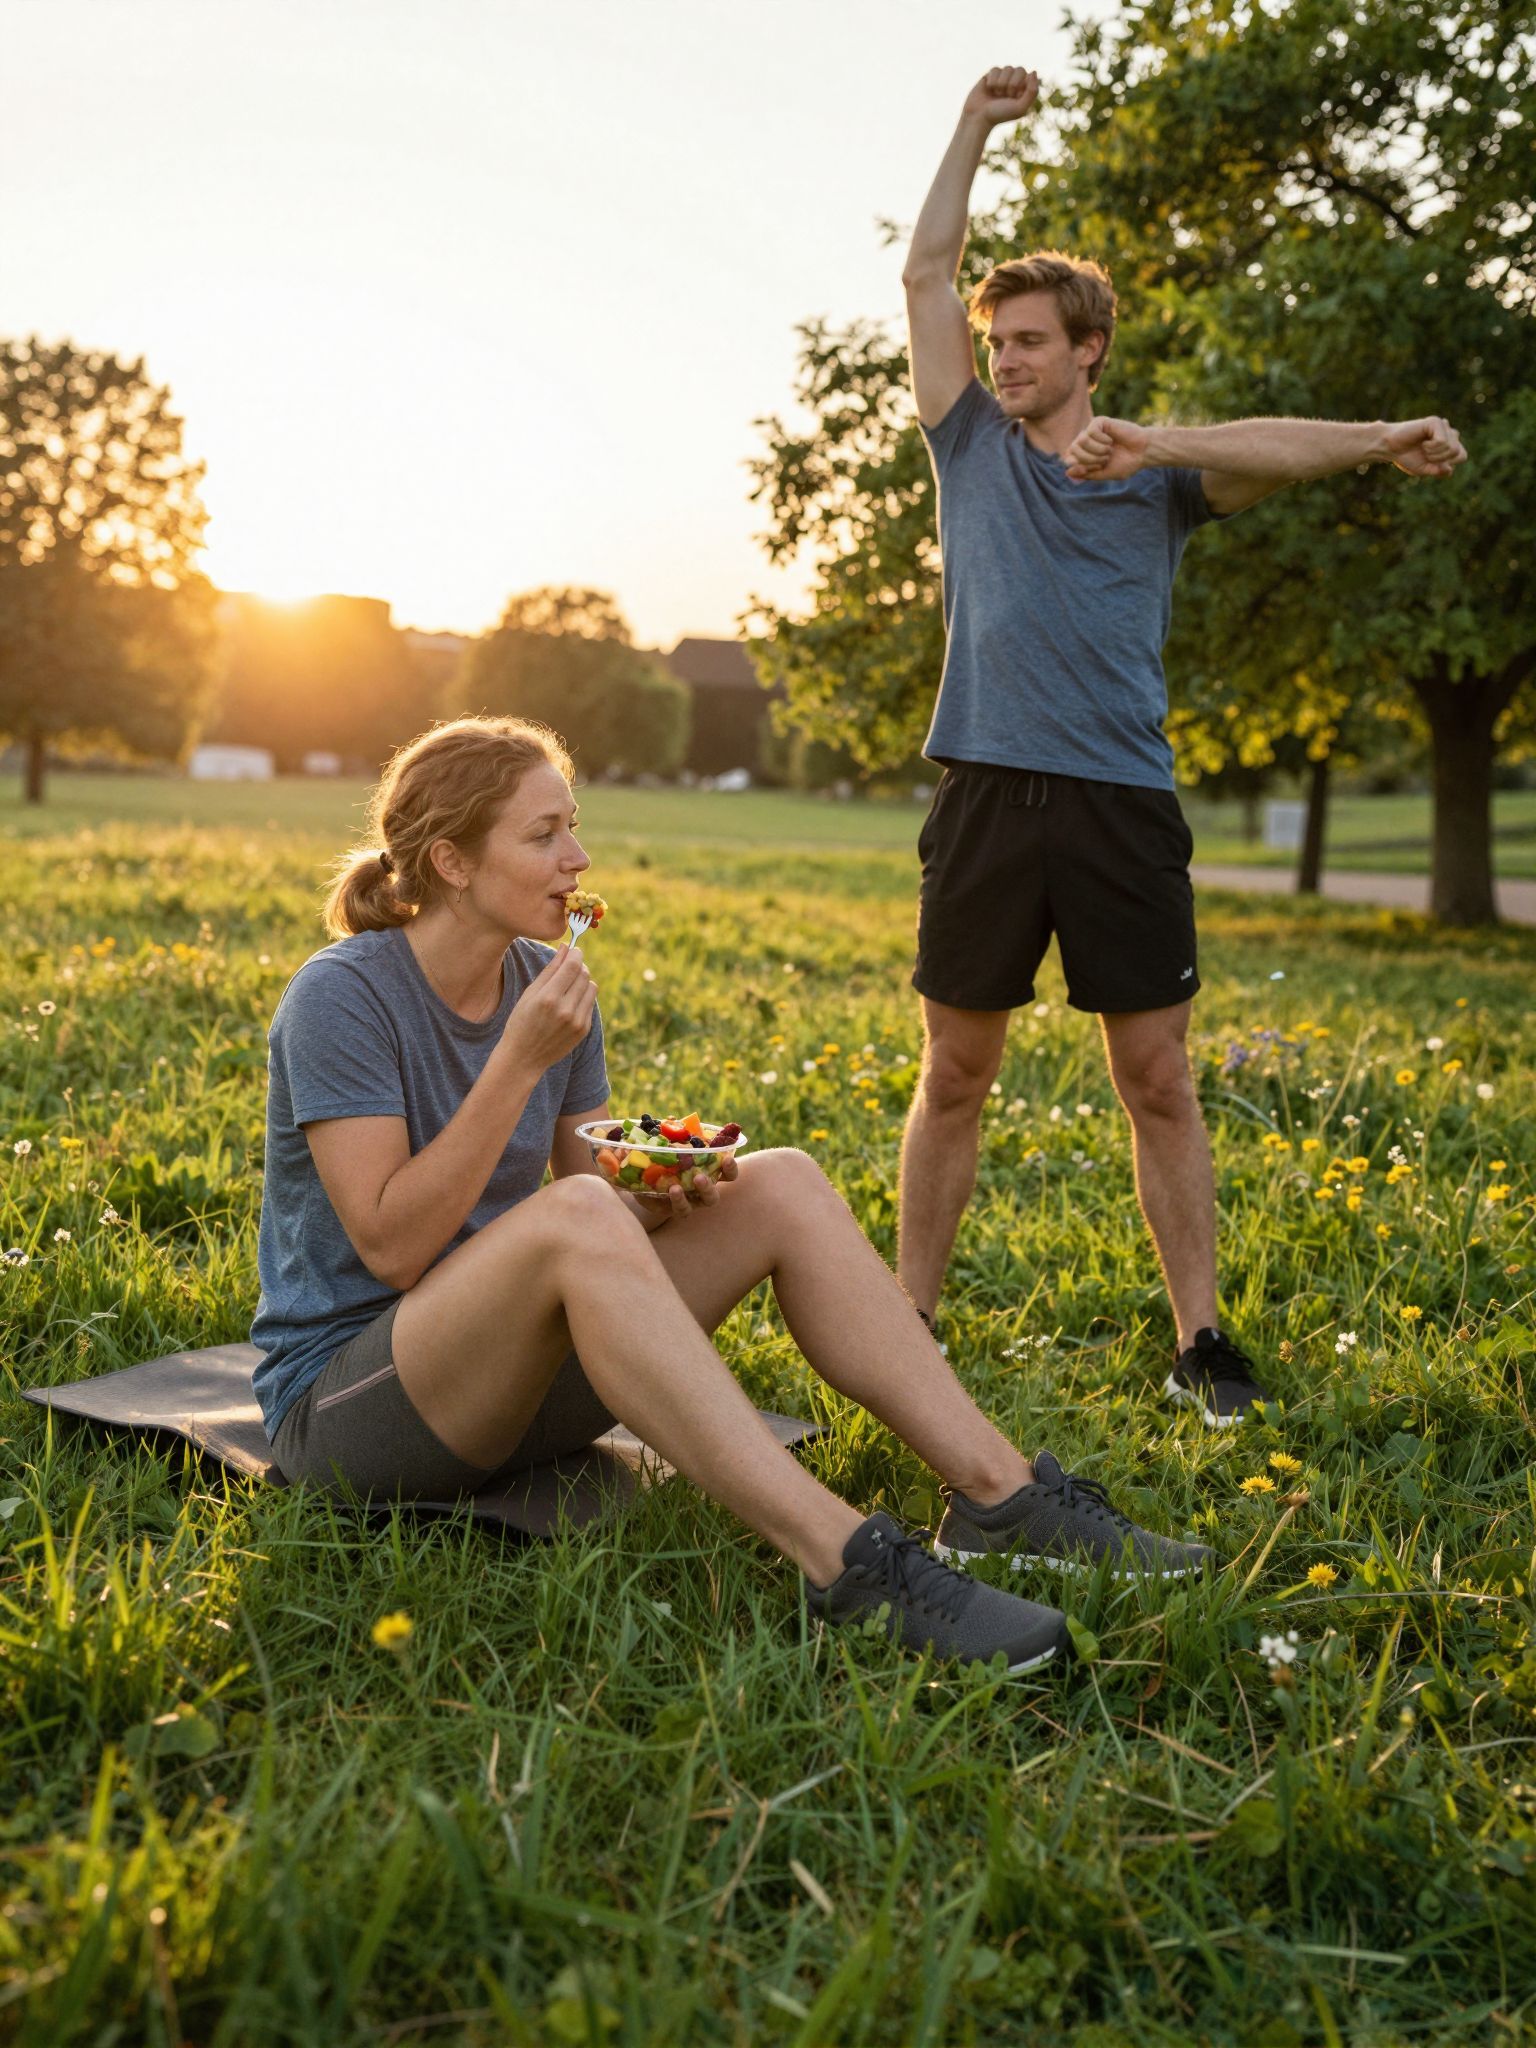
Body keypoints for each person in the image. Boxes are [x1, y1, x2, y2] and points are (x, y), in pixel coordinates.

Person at [251, 715, 1213, 1678]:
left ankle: (1001, 1497)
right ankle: (850, 1564)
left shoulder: (547, 984)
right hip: (351, 1417)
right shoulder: (344, 998)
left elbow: (595, 1201)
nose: (577, 858)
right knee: (576, 1220)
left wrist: (663, 1194)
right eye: (542, 835)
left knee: (780, 1181)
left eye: (573, 827)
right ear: (452, 861)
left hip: (502, 1394)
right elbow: (391, 1248)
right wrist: (517, 1064)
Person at [898, 66, 1467, 1425]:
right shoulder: (969, 446)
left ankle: (1200, 1341)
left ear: (1088, 348)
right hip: (986, 790)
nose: (1007, 358)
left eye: (1031, 340)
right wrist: (972, 127)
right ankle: (907, 1321)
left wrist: (1365, 439)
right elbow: (926, 271)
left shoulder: (1161, 478)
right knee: (957, 1073)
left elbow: (1280, 451)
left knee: (1156, 1076)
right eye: (1001, 339)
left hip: (1119, 805)